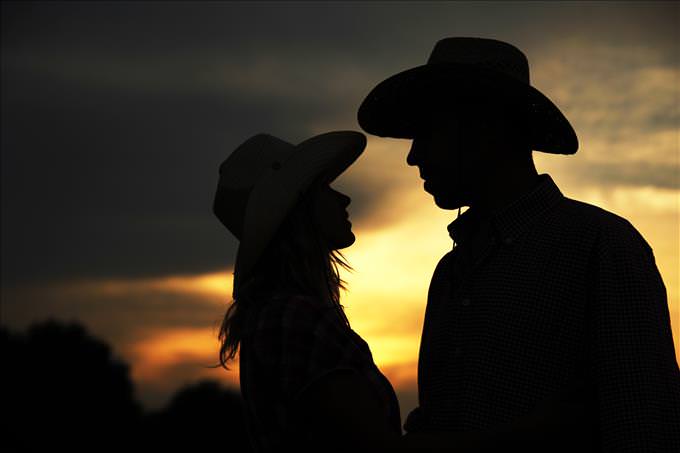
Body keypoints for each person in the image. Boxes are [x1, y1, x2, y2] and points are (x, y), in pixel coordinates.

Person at [357, 36, 680, 452]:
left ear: (483, 128)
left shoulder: (601, 247)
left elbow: (646, 425)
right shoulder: (451, 272)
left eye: (427, 133)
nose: (413, 156)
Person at [212, 131, 593, 452]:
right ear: (298, 209)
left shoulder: (282, 315)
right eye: (324, 188)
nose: (342, 198)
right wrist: (535, 432)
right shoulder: (295, 319)